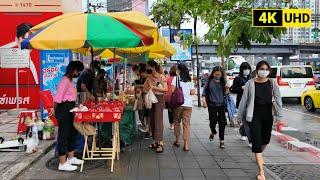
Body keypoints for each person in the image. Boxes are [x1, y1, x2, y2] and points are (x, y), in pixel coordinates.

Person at [237, 61, 283, 180]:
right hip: (254, 115)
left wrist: (280, 117)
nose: (264, 71)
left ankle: (258, 154)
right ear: (257, 70)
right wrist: (239, 117)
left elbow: (278, 100)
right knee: (257, 142)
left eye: (266, 69)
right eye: (262, 68)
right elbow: (243, 101)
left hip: (268, 115)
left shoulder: (272, 83)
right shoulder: (250, 83)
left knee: (265, 141)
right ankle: (261, 171)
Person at [54, 61, 84, 171]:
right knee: (64, 135)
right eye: (78, 71)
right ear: (73, 70)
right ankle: (62, 162)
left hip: (70, 109)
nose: (79, 73)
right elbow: (58, 98)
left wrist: (76, 105)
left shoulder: (70, 81)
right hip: (63, 110)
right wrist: (53, 111)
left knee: (72, 133)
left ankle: (71, 157)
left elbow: (70, 97)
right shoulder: (64, 81)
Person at [143, 60, 168, 153]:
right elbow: (145, 89)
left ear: (153, 67)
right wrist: (147, 88)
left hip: (159, 100)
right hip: (151, 100)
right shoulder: (148, 78)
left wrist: (154, 88)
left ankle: (161, 142)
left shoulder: (161, 77)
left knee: (158, 120)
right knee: (152, 120)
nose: (147, 68)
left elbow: (166, 89)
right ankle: (156, 142)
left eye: (148, 67)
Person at [202, 66, 227, 149]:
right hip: (212, 105)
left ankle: (222, 140)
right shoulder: (209, 82)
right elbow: (204, 93)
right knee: (212, 122)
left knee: (222, 123)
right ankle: (213, 131)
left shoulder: (224, 82)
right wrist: (204, 102)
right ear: (213, 73)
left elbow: (227, 93)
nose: (217, 76)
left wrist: (227, 89)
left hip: (221, 105)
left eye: (219, 74)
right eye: (216, 74)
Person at [172, 63, 195, 151]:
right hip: (188, 105)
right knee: (186, 124)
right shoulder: (189, 80)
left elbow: (173, 91)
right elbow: (193, 92)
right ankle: (186, 144)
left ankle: (177, 141)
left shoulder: (176, 79)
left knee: (177, 121)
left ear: (179, 70)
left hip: (178, 104)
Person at [231, 62, 252, 142]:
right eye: (245, 69)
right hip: (241, 101)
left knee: (249, 119)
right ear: (241, 70)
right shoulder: (238, 78)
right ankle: (246, 135)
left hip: (250, 102)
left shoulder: (251, 78)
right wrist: (241, 88)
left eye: (248, 69)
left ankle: (243, 132)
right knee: (244, 119)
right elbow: (233, 90)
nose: (247, 70)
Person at [164, 65, 177, 130]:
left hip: (168, 96)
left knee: (170, 110)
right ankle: (175, 123)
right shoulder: (177, 78)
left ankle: (171, 124)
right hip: (175, 97)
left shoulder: (167, 78)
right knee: (175, 110)